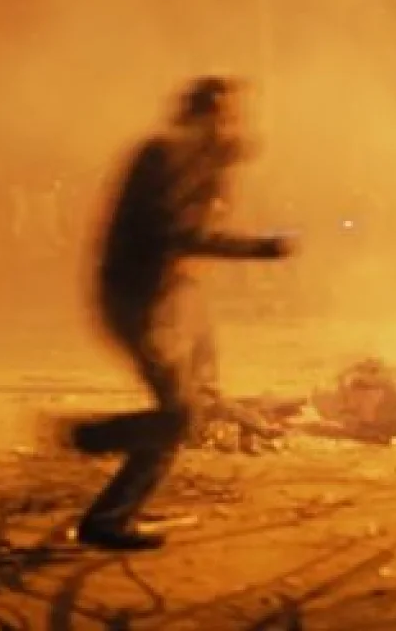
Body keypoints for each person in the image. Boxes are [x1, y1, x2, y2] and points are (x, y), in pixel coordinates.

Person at [64, 76, 295, 551]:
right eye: (227, 116)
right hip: (139, 300)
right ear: (204, 116)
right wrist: (260, 248)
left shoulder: (194, 160)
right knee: (181, 415)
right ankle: (89, 441)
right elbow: (179, 234)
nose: (235, 126)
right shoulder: (166, 156)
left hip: (168, 298)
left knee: (189, 404)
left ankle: (112, 516)